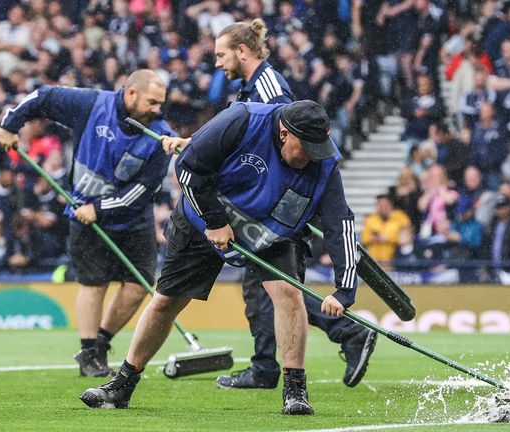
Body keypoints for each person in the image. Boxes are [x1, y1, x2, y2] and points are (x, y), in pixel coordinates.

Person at [80, 100, 358, 415]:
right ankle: (123, 385)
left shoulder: (323, 162)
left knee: (288, 292)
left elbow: (340, 223)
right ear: (284, 133)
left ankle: (295, 392)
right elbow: (187, 167)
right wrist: (215, 220)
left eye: (316, 149)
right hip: (203, 217)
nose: (310, 157)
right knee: (166, 301)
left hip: (271, 229)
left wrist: (345, 288)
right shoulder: (240, 120)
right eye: (304, 148)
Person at [212, 20, 376, 390]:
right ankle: (266, 367)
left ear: (242, 50)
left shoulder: (269, 87)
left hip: (278, 200)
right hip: (267, 199)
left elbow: (290, 142)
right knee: (263, 290)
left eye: (222, 54)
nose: (218, 63)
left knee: (277, 288)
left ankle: (344, 333)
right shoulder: (249, 87)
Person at [0, 70, 175, 377]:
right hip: (83, 213)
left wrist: (100, 208)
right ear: (131, 93)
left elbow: (143, 190)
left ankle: (102, 343)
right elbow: (42, 96)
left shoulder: (161, 134)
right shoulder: (90, 104)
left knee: (138, 286)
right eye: (152, 102)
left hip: (132, 217)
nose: (157, 109)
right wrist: (10, 125)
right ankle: (88, 353)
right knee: (94, 284)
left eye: (160, 103)